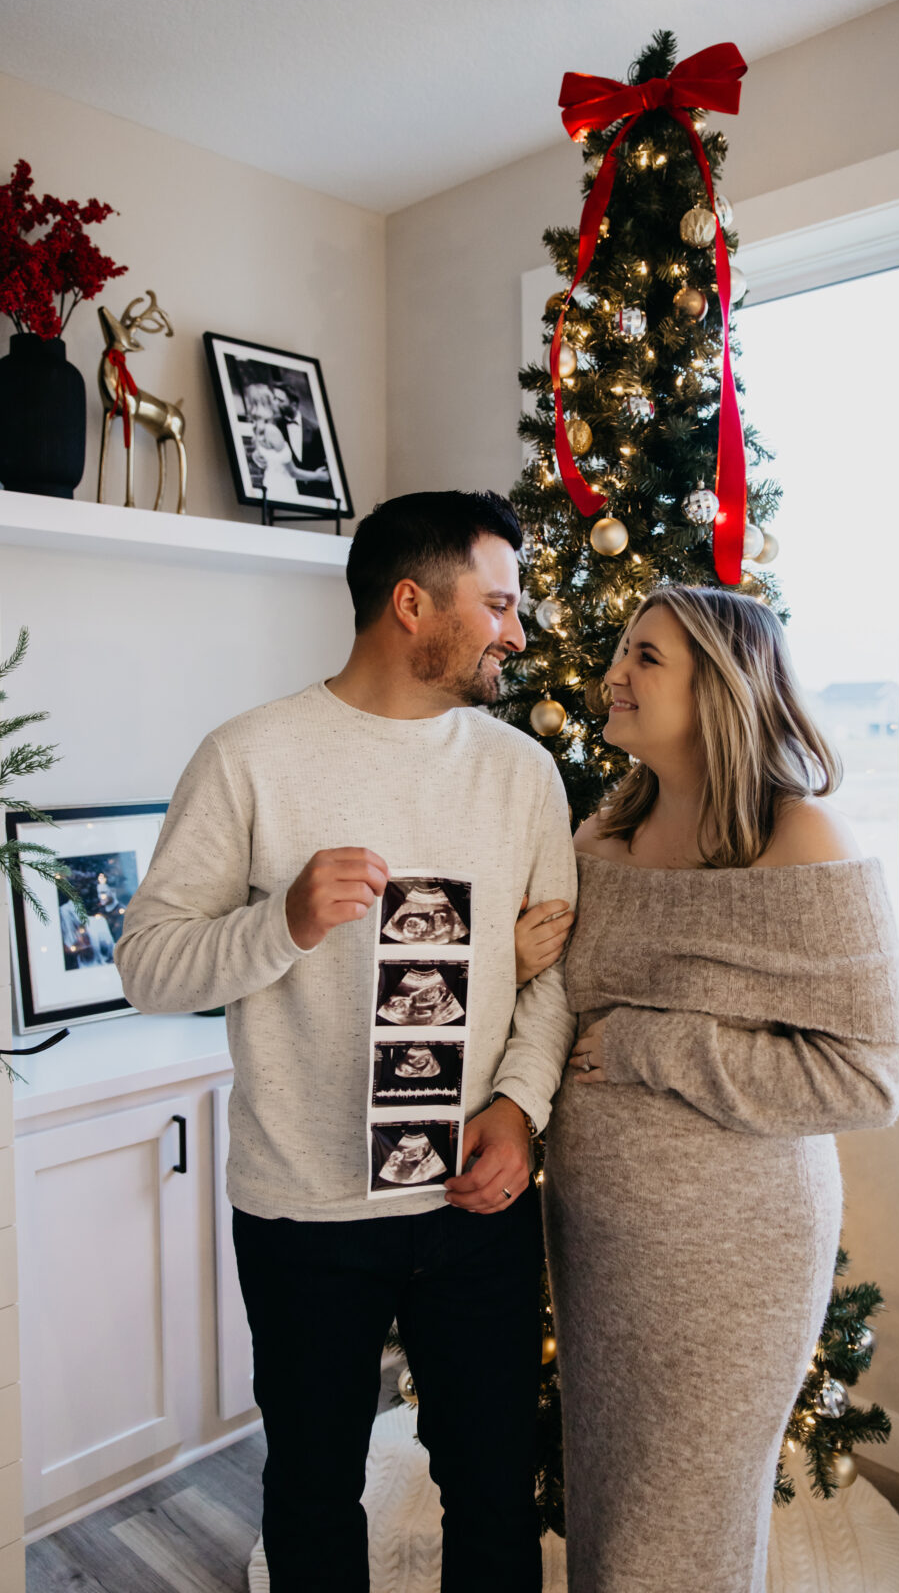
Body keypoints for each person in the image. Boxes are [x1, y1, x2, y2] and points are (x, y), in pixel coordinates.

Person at [115, 490, 577, 1593]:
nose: (517, 630)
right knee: (314, 1493)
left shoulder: (521, 775)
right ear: (412, 604)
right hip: (303, 1213)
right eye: (498, 603)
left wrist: (517, 1109)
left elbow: (551, 976)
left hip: (475, 1210)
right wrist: (283, 921)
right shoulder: (249, 759)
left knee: (491, 1491)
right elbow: (148, 965)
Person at [516, 586, 899, 1593]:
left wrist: (655, 1047)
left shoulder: (804, 842)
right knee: (612, 1506)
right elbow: (557, 1010)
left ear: (722, 685)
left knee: (680, 1526)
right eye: (618, 652)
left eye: (643, 656)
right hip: (597, 1242)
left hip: (731, 1254)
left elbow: (867, 1074)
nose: (612, 673)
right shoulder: (600, 838)